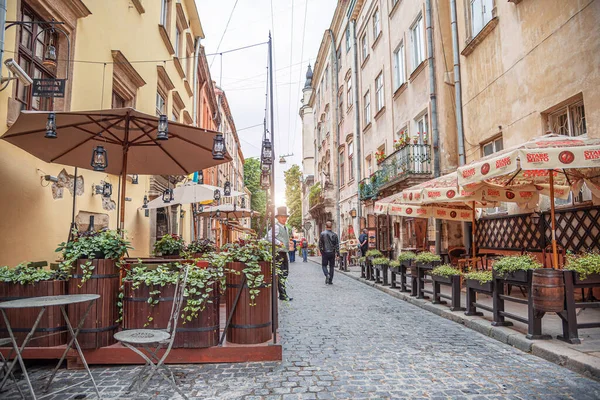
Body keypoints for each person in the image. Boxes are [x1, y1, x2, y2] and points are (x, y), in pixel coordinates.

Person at [265, 206, 292, 301]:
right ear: (277, 218)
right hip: (278, 253)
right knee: (281, 273)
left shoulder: (285, 228)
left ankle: (282, 293)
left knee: (285, 272)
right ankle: (283, 294)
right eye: (282, 217)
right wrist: (278, 243)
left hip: (283, 253)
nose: (284, 219)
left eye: (285, 217)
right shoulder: (276, 227)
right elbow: (268, 237)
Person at [319, 221, 339, 285]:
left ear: (325, 226)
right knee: (331, 267)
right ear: (331, 226)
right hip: (332, 252)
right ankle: (330, 280)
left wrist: (321, 251)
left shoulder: (322, 234)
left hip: (325, 252)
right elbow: (337, 245)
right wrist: (338, 253)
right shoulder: (334, 234)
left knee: (324, 265)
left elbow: (320, 244)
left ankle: (327, 274)